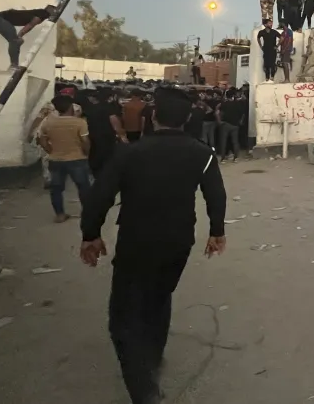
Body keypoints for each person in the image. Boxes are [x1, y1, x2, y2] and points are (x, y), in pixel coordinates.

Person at [79, 87, 227, 404]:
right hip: (178, 241)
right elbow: (216, 194)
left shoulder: (130, 153)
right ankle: (153, 357)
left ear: (154, 117)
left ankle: (144, 390)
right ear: (187, 118)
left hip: (137, 241)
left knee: (123, 317)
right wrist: (217, 231)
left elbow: (99, 196)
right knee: (160, 296)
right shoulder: (202, 153)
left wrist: (91, 233)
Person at [39, 95, 92, 224]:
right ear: (70, 107)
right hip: (77, 158)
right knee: (83, 187)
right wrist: (86, 153)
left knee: (56, 189)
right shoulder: (79, 122)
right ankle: (87, 214)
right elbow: (85, 141)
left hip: (56, 160)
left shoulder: (48, 122)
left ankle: (60, 215)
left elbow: (42, 140)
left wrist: (50, 151)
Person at [0, 4, 57, 69]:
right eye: (54, 11)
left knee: (17, 41)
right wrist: (20, 35)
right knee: (15, 41)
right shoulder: (43, 14)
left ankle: (14, 64)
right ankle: (13, 65)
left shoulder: (39, 12)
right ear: (50, 10)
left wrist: (19, 36)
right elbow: (30, 25)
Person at [87, 89, 127, 178]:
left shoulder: (91, 108)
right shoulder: (110, 108)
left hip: (93, 136)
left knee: (95, 156)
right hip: (107, 137)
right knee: (107, 158)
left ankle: (96, 175)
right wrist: (122, 135)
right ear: (109, 98)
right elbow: (115, 122)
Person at [217, 91, 245, 162]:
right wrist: (240, 121)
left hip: (225, 124)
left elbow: (218, 112)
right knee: (235, 142)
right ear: (233, 96)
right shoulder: (237, 104)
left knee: (223, 141)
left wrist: (219, 121)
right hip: (235, 125)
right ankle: (236, 158)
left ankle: (223, 158)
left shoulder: (224, 104)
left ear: (226, 96)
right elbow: (242, 113)